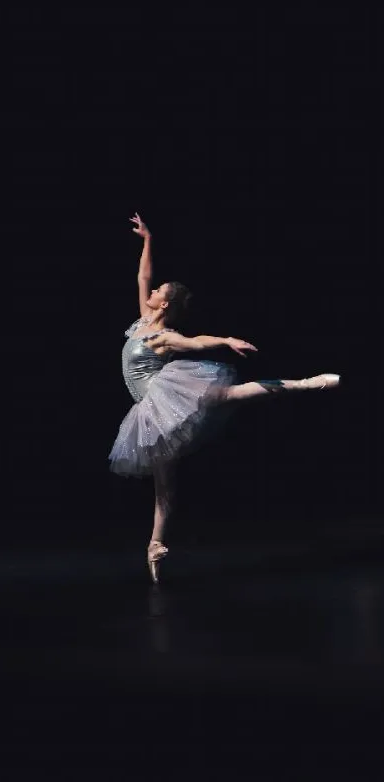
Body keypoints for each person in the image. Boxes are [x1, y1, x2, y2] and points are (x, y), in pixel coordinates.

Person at [109, 213, 340, 583]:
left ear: (164, 306)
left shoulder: (162, 336)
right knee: (164, 482)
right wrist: (147, 239)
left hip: (165, 397)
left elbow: (195, 342)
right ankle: (155, 546)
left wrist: (226, 340)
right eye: (154, 292)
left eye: (158, 293)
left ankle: (305, 383)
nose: (151, 293)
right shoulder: (142, 321)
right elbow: (142, 277)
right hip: (147, 410)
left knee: (230, 393)